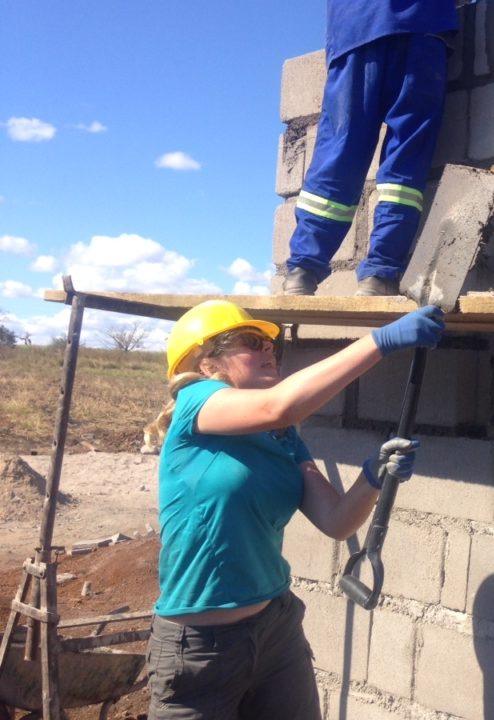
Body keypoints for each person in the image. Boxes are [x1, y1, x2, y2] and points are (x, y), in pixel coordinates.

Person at [143, 298, 444, 719]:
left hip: (275, 627)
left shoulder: (282, 437)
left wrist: (373, 476)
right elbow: (280, 404)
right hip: (199, 647)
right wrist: (381, 340)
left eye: (272, 345)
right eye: (251, 341)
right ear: (207, 364)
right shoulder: (196, 403)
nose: (269, 349)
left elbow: (337, 522)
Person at [283, 0, 486, 297]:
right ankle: (379, 273)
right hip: (422, 25)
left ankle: (303, 269)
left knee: (339, 152)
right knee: (405, 159)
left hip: (354, 30)